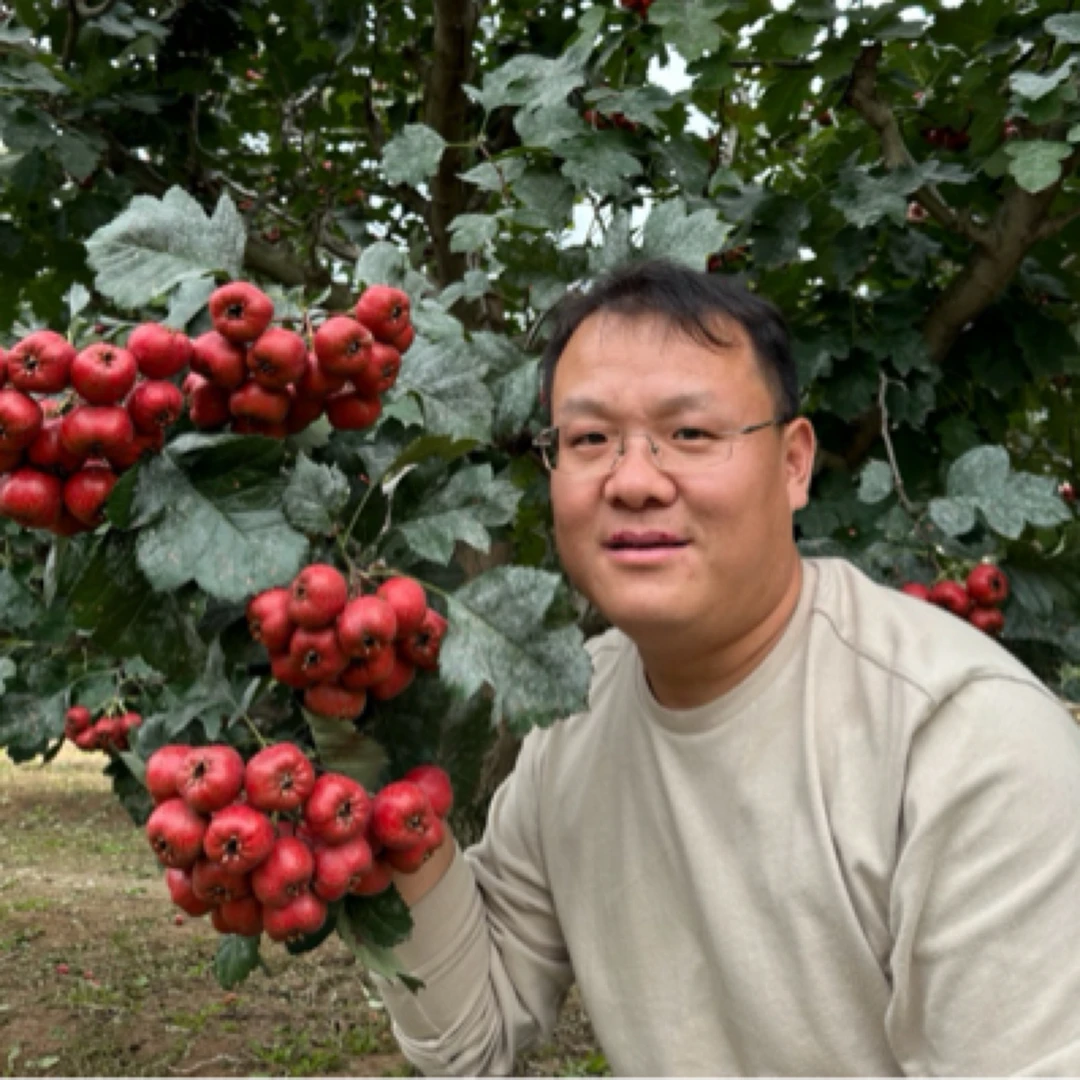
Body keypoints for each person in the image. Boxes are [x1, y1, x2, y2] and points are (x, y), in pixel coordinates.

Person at [372, 259, 1080, 1076]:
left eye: (691, 434)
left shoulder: (966, 745)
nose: (634, 481)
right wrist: (362, 756)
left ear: (794, 463)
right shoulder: (574, 715)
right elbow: (471, 1038)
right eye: (590, 439)